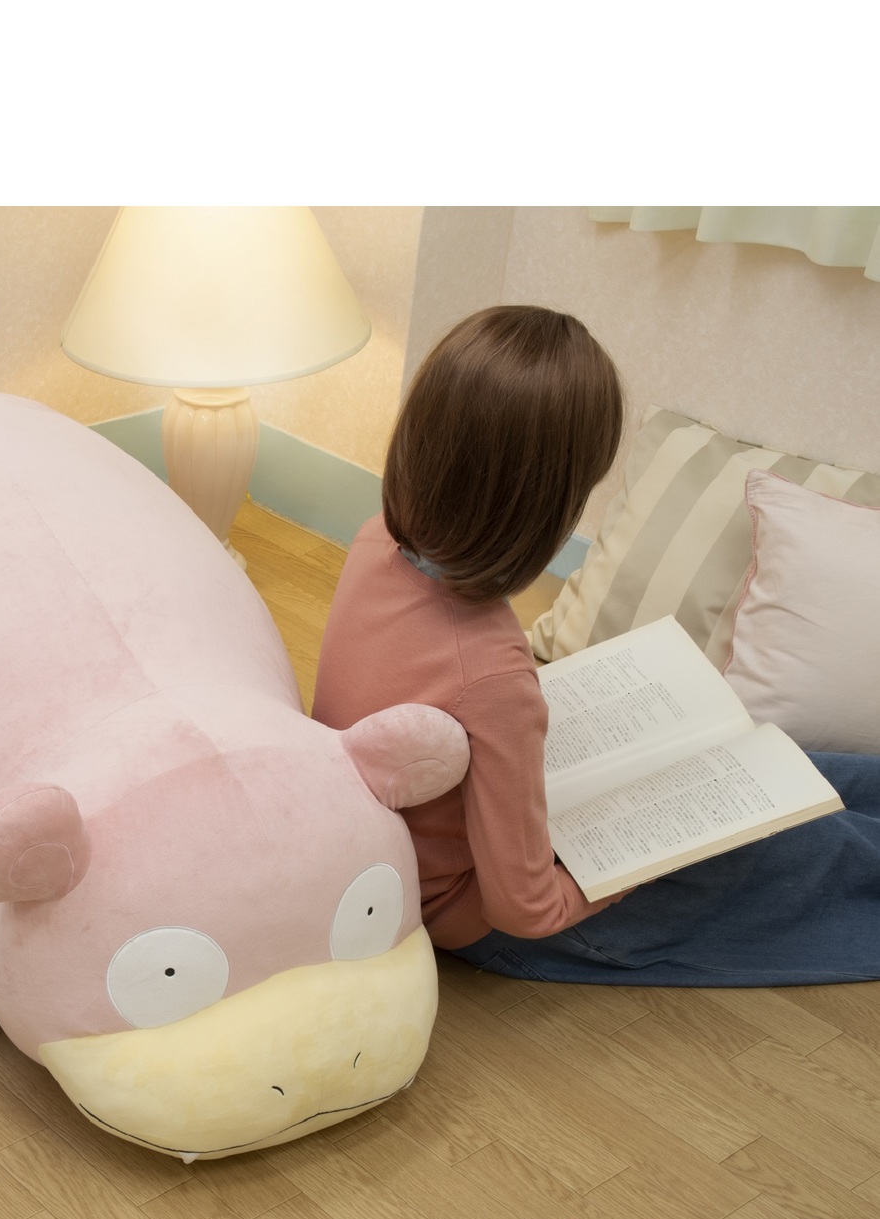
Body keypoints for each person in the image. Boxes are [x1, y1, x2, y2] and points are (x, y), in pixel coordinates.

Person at [312, 304, 880, 987]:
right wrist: (632, 868)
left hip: (434, 848)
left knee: (786, 761)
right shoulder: (489, 671)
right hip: (474, 912)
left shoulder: (377, 536)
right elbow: (524, 909)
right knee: (803, 842)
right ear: (550, 507)